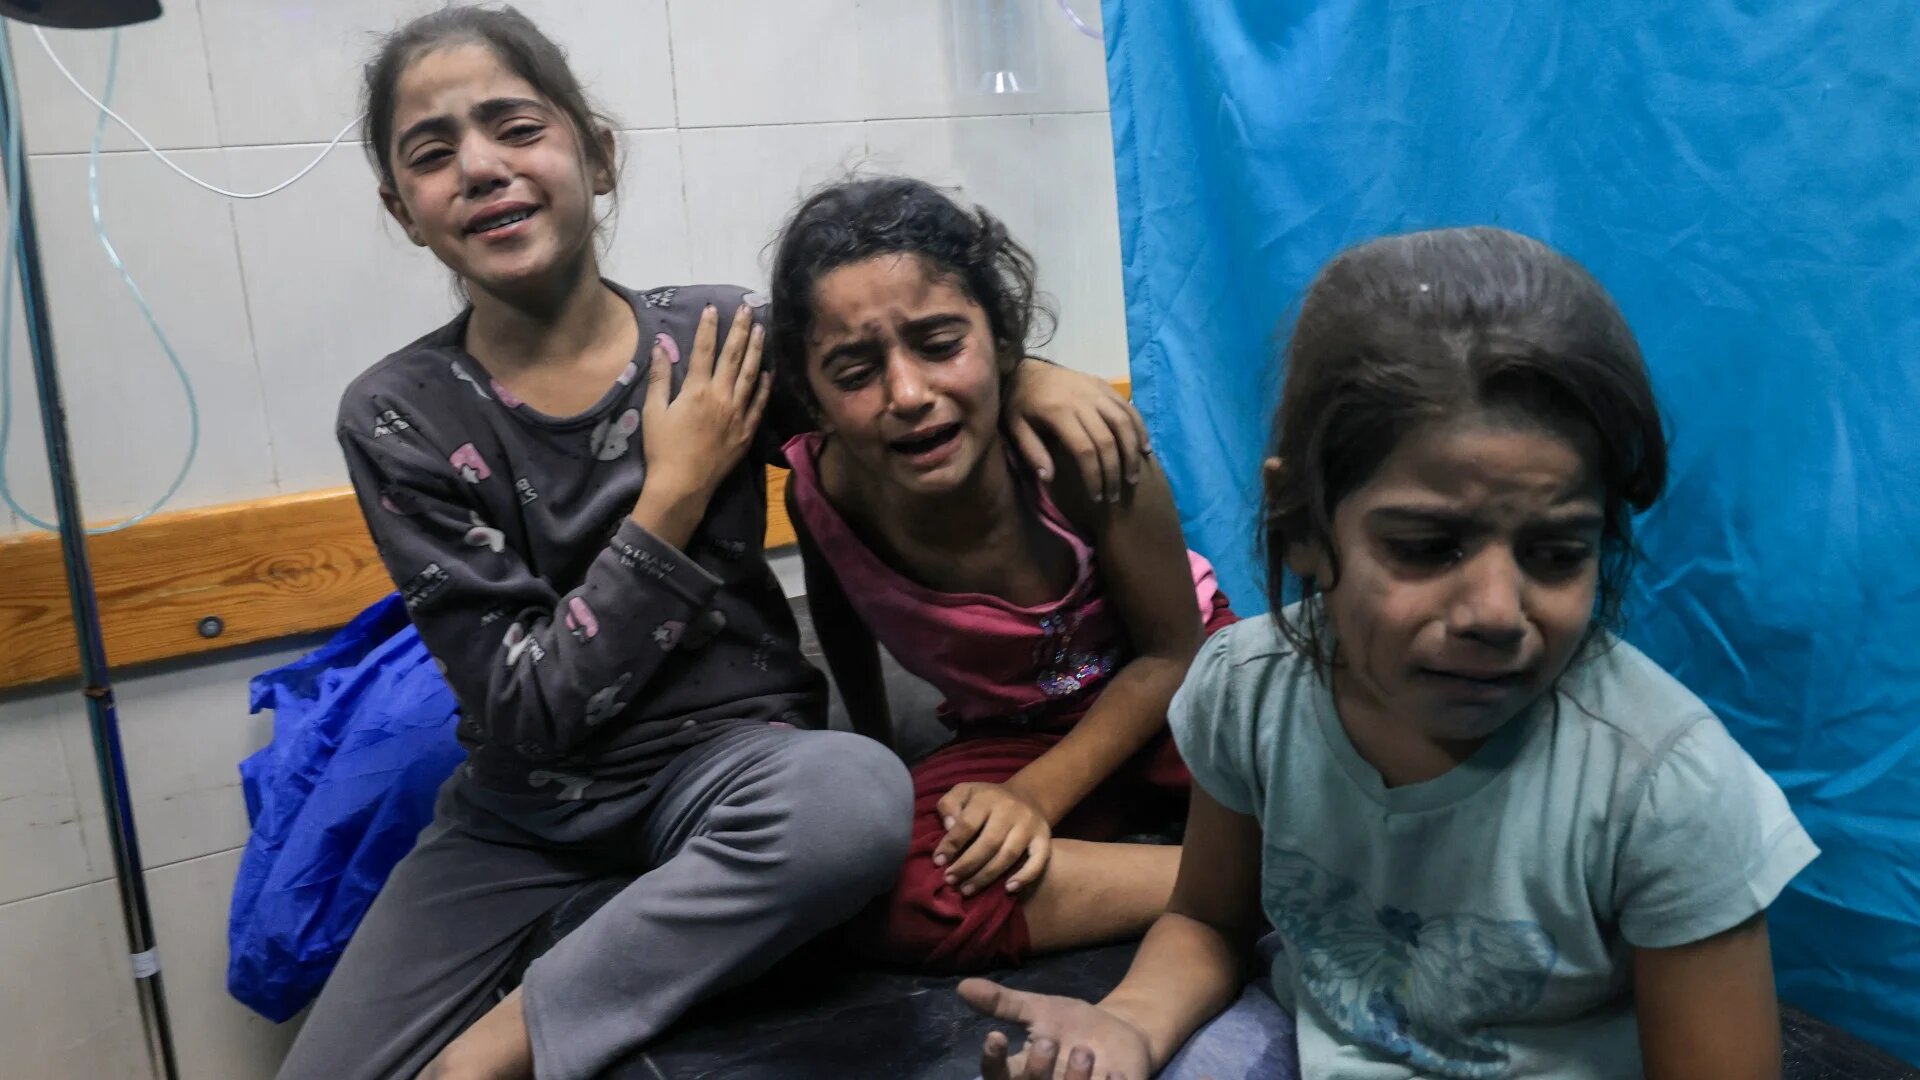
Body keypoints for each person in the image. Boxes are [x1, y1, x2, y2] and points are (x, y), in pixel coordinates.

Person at [274, 9, 1148, 1079]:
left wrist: (1029, 374)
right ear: (401, 208)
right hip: (526, 814)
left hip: (737, 769)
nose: (481, 166)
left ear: (595, 153)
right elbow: (528, 710)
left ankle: (502, 1049)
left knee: (854, 800)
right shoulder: (399, 414)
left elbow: (890, 381)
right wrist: (674, 494)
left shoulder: (720, 339)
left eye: (514, 125)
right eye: (433, 151)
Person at [959, 227, 1819, 1080]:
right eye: (1428, 546)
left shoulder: (1664, 788)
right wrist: (1128, 1027)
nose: (1494, 612)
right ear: (1300, 523)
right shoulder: (1249, 694)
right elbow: (1209, 922)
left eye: (1556, 555)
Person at [766, 177, 1239, 973]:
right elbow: (841, 613)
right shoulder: (823, 492)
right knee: (881, 886)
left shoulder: (1083, 458)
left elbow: (1173, 654)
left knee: (1316, 767)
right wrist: (882, 756)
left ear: (1004, 340)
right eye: (853, 371)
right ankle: (1236, 877)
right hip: (1016, 733)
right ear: (810, 395)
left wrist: (1036, 799)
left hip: (1174, 697)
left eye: (942, 344)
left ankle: (1243, 858)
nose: (909, 394)